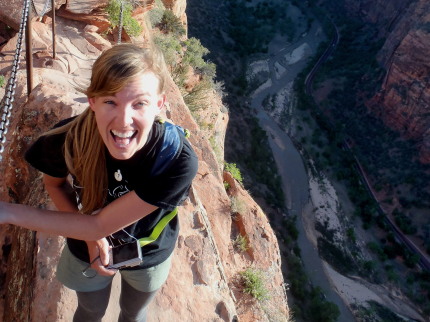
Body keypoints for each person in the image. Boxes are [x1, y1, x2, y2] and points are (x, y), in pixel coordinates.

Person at [0, 43, 198, 322]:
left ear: (159, 104)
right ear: (91, 101)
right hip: (85, 241)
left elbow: (99, 225)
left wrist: (6, 211)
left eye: (139, 103)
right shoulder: (67, 140)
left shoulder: (176, 160)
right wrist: (89, 237)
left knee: (133, 312)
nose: (124, 120)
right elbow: (55, 185)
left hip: (147, 250)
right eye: (110, 101)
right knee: (91, 310)